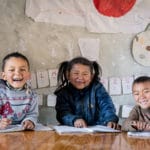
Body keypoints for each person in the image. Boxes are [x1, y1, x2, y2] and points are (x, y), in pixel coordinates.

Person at [54, 56, 120, 129]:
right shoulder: (63, 93)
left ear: (91, 77)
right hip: (73, 132)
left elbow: (107, 105)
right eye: (76, 73)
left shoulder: (97, 88)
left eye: (85, 74)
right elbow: (63, 113)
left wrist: (110, 120)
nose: (80, 77)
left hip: (98, 132)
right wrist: (75, 120)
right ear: (68, 75)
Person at [0, 52, 38, 130]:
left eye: (22, 69)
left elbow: (32, 114)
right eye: (11, 70)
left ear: (28, 75)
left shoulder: (32, 95)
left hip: (23, 133)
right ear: (3, 76)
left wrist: (29, 121)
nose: (17, 73)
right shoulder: (1, 93)